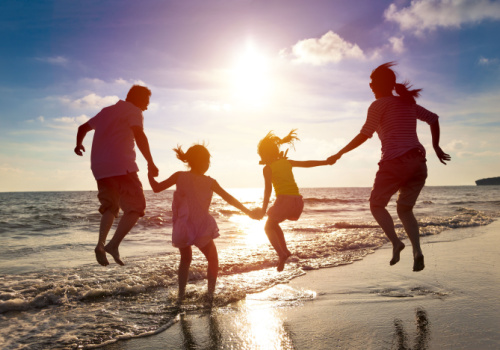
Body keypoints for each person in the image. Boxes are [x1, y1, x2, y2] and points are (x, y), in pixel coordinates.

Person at [327, 62, 451, 272]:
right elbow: (433, 119)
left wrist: (340, 153)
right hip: (419, 163)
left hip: (395, 162)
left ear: (380, 85)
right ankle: (417, 251)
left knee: (376, 205)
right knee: (405, 209)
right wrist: (436, 147)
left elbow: (364, 134)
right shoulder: (407, 103)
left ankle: (396, 243)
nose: (370, 85)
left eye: (373, 82)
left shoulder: (379, 105)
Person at [148, 144, 260, 305]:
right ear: (199, 161)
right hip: (201, 227)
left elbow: (156, 188)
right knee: (212, 258)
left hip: (183, 227)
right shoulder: (210, 182)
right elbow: (229, 199)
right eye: (207, 160)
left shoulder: (179, 176)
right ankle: (210, 294)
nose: (208, 164)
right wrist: (248, 212)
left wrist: (149, 174)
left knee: (186, 259)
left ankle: (180, 296)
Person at [74, 85, 159, 267]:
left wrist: (78, 145)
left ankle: (100, 245)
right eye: (146, 101)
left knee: (110, 207)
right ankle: (113, 245)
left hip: (100, 168)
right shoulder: (134, 111)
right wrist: (150, 162)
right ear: (137, 98)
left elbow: (82, 128)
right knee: (137, 207)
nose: (146, 106)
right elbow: (139, 135)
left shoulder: (106, 111)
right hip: (122, 166)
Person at [256, 130, 331, 272]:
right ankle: (285, 251)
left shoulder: (267, 169)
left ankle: (281, 253)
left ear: (265, 155)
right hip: (297, 202)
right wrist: (325, 162)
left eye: (261, 155)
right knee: (274, 224)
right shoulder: (286, 162)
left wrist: (263, 209)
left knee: (267, 227)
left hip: (284, 201)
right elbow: (307, 164)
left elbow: (267, 191)